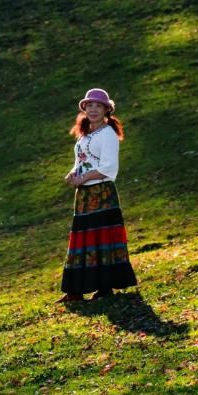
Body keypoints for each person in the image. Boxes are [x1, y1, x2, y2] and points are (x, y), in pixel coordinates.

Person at [58, 88, 137, 302]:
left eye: (98, 106)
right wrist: (74, 173)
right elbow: (81, 161)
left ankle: (104, 288)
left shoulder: (108, 134)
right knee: (82, 240)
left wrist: (84, 178)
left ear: (106, 111)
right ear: (84, 109)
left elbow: (108, 167)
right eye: (89, 106)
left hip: (101, 193)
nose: (93, 109)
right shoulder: (85, 136)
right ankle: (75, 290)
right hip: (84, 196)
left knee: (101, 239)